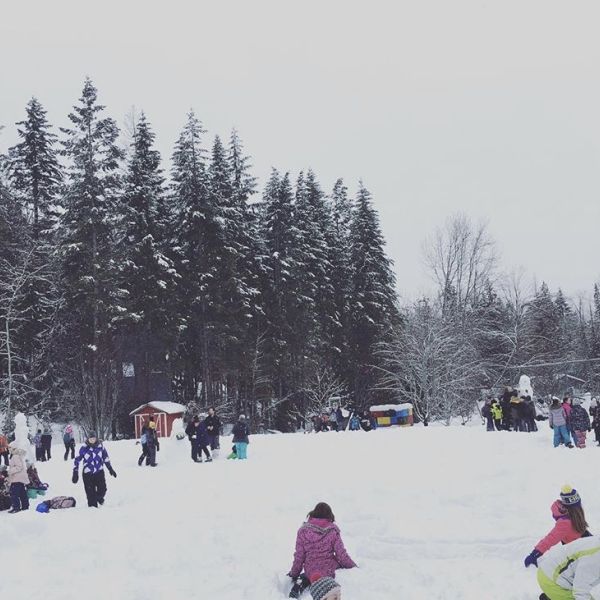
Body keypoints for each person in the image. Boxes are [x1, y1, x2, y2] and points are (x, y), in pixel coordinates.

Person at [287, 502, 356, 598]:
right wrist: (353, 567)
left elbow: (299, 556)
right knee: (337, 567)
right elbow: (341, 554)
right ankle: (325, 585)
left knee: (306, 575)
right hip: (329, 568)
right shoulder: (333, 530)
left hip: (310, 569)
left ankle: (301, 585)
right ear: (329, 516)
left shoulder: (303, 531)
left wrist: (294, 574)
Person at [524, 485, 591, 568]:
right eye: (578, 506)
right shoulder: (565, 523)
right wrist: (535, 554)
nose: (580, 508)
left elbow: (581, 532)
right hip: (577, 553)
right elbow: (551, 538)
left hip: (583, 545)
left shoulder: (574, 515)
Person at [536, 535, 600, 600]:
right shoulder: (594, 559)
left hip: (552, 571)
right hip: (551, 580)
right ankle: (553, 595)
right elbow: (580, 589)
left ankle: (553, 596)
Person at [72, 431, 117, 508]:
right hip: (88, 474)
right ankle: (93, 509)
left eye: (94, 438)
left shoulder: (100, 447)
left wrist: (110, 468)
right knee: (91, 499)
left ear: (96, 438)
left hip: (99, 472)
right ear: (88, 439)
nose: (92, 440)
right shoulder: (84, 448)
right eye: (90, 439)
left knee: (102, 491)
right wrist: (75, 472)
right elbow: (77, 460)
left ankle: (99, 498)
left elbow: (105, 457)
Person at [7, 442, 30, 513]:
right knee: (22, 493)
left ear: (13, 448)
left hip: (17, 478)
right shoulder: (18, 455)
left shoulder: (15, 456)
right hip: (21, 478)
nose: (9, 449)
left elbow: (19, 467)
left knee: (13, 493)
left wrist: (10, 471)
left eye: (10, 448)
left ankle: (16, 507)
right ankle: (25, 506)